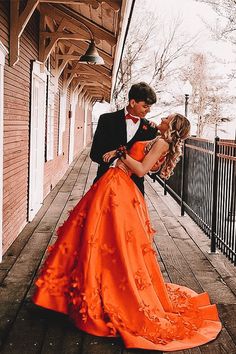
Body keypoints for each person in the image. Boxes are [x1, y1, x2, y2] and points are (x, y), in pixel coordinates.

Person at [32, 113, 221, 352]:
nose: (162, 117)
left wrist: (122, 155)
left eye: (167, 118)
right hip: (115, 183)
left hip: (120, 187)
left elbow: (141, 170)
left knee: (105, 239)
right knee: (98, 237)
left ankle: (98, 292)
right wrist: (118, 153)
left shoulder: (162, 142)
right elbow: (139, 155)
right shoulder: (159, 138)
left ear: (171, 126)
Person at [90, 82, 158, 195]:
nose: (148, 111)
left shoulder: (150, 129)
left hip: (134, 190)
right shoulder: (106, 120)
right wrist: (116, 162)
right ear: (132, 102)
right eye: (145, 106)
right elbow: (95, 153)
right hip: (105, 184)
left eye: (150, 107)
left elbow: (149, 164)